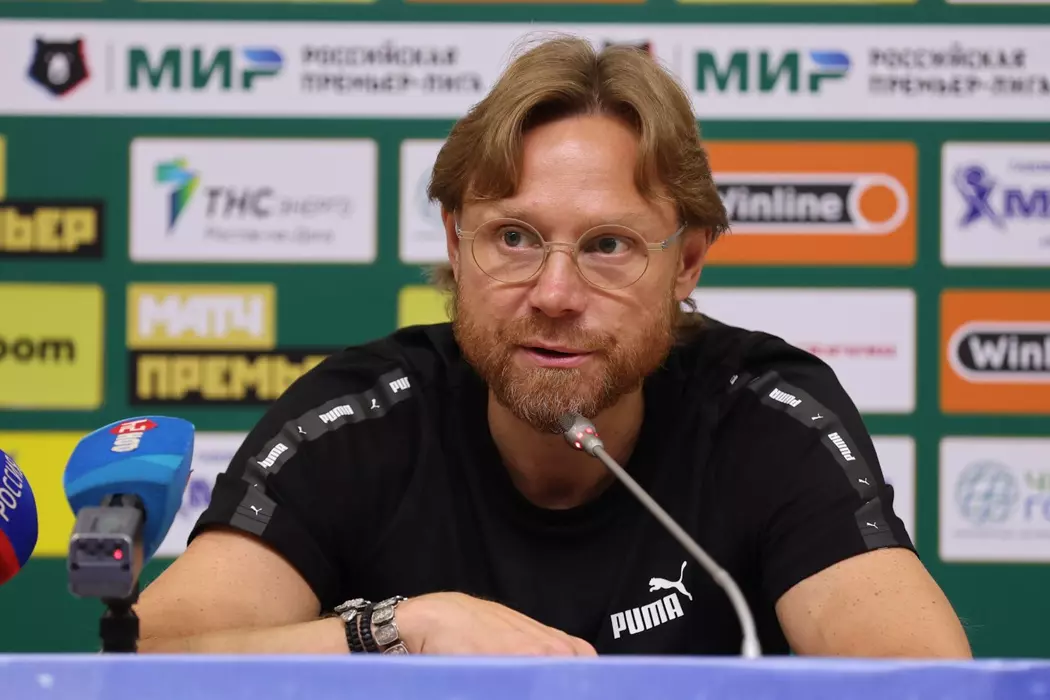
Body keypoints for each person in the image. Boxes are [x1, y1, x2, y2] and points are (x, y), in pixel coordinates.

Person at [135, 35, 972, 658]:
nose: (555, 294)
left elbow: (923, 679)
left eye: (608, 245)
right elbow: (151, 658)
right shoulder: (362, 418)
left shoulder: (762, 415)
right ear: (456, 242)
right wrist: (397, 629)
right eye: (514, 237)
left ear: (686, 262)